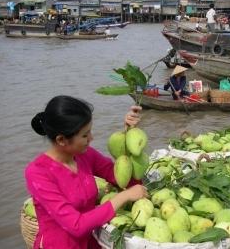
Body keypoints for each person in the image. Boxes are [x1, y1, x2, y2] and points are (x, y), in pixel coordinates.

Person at [25, 96, 148, 249]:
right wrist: (124, 196)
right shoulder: (38, 173)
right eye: (85, 135)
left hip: (92, 241)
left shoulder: (85, 154)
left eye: (90, 131)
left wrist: (129, 135)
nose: (91, 138)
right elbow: (76, 225)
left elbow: (125, 180)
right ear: (62, 139)